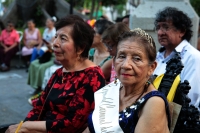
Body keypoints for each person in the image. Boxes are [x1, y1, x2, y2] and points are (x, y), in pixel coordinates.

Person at [6, 15, 106, 133]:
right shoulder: (59, 72)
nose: (55, 43)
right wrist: (22, 127)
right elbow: (39, 107)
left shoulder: (92, 76)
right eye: (56, 37)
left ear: (80, 48)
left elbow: (72, 124)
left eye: (63, 38)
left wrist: (27, 127)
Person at [83, 28, 170, 133]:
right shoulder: (110, 91)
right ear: (114, 62)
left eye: (137, 59)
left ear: (151, 68)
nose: (126, 65)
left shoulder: (154, 103)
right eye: (122, 56)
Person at [153, 7, 200, 108]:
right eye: (158, 28)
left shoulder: (193, 57)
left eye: (165, 27)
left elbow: (189, 98)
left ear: (181, 31)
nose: (160, 33)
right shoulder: (158, 56)